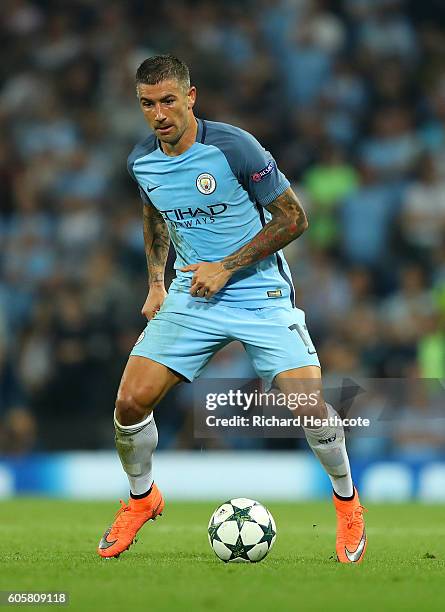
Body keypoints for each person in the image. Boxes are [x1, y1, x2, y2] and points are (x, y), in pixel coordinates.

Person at [97, 55, 367, 563]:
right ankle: (141, 498)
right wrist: (156, 282)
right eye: (148, 104)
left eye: (169, 101)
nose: (159, 114)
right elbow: (154, 212)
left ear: (191, 97)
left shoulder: (234, 147)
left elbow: (294, 219)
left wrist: (225, 266)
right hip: (190, 293)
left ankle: (348, 502)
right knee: (130, 404)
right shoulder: (141, 159)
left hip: (257, 292)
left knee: (306, 405)